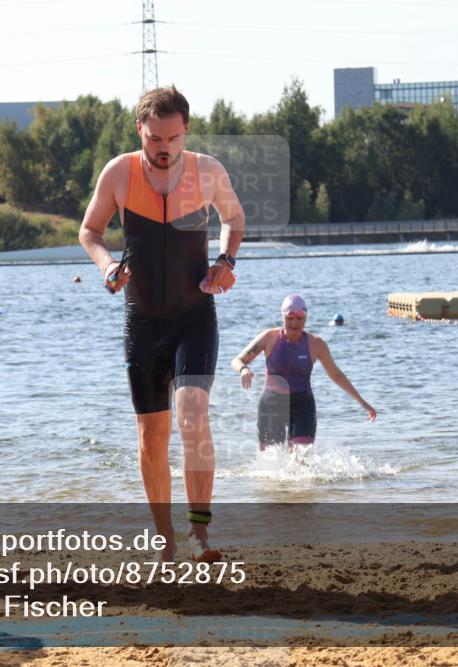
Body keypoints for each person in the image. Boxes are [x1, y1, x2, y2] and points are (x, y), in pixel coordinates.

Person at [78, 86, 245, 562]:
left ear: (186, 130)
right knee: (152, 438)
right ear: (140, 130)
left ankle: (199, 534)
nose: (164, 148)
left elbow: (234, 218)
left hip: (195, 316)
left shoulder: (207, 171)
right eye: (154, 139)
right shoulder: (120, 173)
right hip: (143, 322)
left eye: (173, 138)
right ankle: (164, 539)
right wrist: (108, 266)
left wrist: (226, 260)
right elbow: (90, 231)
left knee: (193, 411)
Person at [231, 294, 377, 450]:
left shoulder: (316, 344)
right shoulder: (269, 338)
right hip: (272, 404)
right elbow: (237, 360)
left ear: (305, 318)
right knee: (271, 457)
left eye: (299, 319)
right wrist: (244, 369)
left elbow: (335, 374)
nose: (294, 323)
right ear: (283, 317)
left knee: (301, 456)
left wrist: (363, 403)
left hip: (302, 405)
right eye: (290, 318)